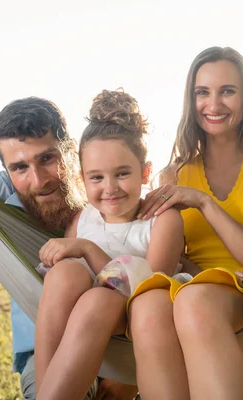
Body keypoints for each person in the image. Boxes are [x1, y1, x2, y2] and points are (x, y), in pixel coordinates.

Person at [0, 97, 138, 400]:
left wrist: (130, 374)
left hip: (121, 342)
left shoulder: (110, 190)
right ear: (6, 170)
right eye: (20, 167)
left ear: (71, 151)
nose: (38, 181)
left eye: (47, 159)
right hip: (44, 349)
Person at [130, 46, 243, 400]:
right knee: (146, 306)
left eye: (227, 91)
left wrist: (203, 202)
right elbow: (172, 256)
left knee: (194, 300)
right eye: (203, 92)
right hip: (190, 285)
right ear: (191, 99)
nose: (213, 104)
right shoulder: (173, 174)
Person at [35, 89, 187, 400]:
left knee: (99, 299)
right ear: (81, 180)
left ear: (145, 172)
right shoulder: (82, 220)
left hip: (141, 316)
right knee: (65, 275)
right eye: (97, 178)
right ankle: (45, 390)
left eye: (122, 174)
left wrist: (88, 249)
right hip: (85, 322)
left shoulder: (162, 220)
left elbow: (149, 285)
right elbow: (62, 281)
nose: (110, 188)